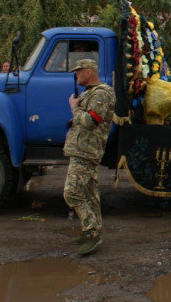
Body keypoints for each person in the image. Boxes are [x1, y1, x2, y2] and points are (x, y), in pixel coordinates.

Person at [63, 59, 116, 255]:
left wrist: (74, 108)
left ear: (88, 72)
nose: (76, 75)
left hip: (86, 150)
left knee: (72, 192)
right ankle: (91, 232)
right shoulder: (89, 93)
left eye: (78, 71)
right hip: (81, 148)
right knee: (89, 194)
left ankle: (92, 232)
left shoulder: (101, 93)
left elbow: (92, 121)